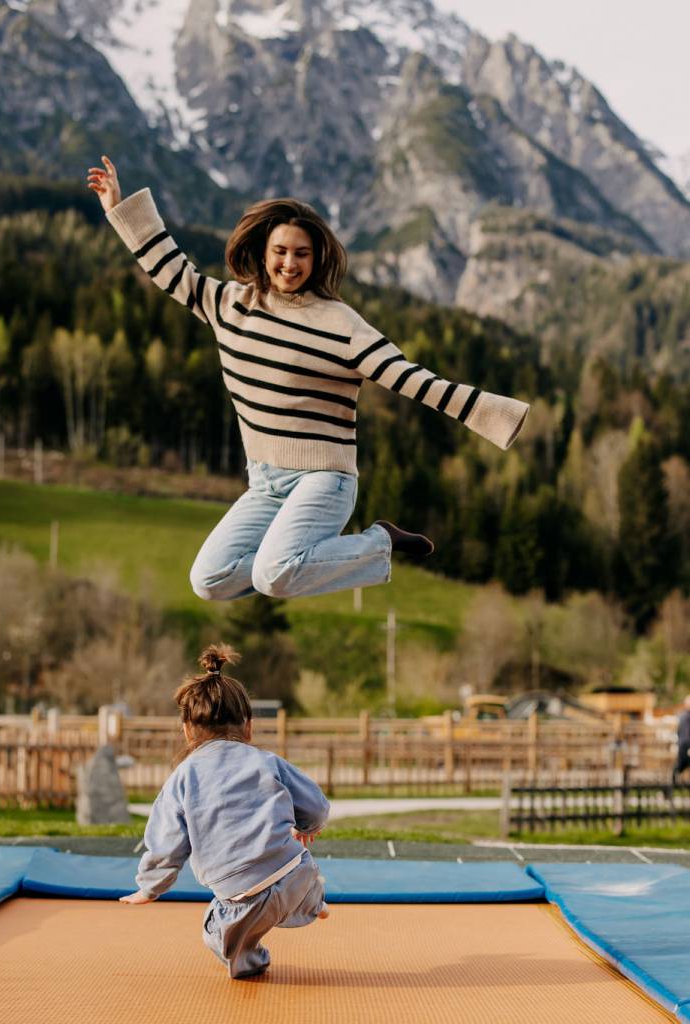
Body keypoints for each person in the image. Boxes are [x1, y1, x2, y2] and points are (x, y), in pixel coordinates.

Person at [87, 156, 530, 601]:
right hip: (265, 481)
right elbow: (172, 271)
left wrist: (497, 414)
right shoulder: (231, 305)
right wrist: (118, 207)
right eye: (280, 251)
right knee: (209, 579)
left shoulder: (340, 323)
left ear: (317, 259)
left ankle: (381, 542)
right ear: (263, 252)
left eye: (301, 253)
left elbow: (409, 379)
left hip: (325, 478)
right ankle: (343, 553)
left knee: (273, 576)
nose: (289, 263)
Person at [120, 643, 330, 979]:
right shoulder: (266, 761)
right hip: (295, 874)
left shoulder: (184, 777)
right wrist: (307, 826)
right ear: (248, 726)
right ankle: (313, 899)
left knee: (216, 935)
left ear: (187, 730)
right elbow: (316, 805)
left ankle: (250, 958)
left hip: (241, 898)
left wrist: (149, 887)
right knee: (295, 869)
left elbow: (166, 844)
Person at [673, 695, 690, 785]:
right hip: (684, 744)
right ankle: (674, 783)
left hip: (684, 744)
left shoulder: (682, 716)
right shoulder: (683, 717)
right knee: (681, 765)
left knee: (682, 765)